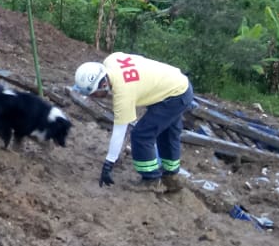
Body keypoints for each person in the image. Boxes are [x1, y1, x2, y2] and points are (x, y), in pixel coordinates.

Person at [73, 53, 194, 193]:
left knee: (141, 135)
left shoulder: (123, 94)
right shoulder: (112, 59)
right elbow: (138, 59)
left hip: (175, 95)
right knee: (168, 132)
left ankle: (151, 180)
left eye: (93, 94)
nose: (93, 97)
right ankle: (170, 176)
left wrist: (109, 163)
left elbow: (119, 132)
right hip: (175, 83)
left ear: (104, 84)